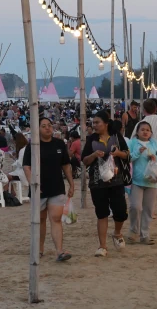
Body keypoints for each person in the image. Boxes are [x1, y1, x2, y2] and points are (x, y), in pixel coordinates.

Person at [21, 117, 74, 261]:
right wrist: (34, 184)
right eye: (43, 126)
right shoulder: (32, 146)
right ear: (38, 129)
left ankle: (59, 251)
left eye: (49, 125)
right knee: (40, 220)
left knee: (55, 219)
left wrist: (71, 183)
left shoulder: (59, 144)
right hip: (39, 189)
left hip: (57, 187)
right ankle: (39, 249)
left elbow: (66, 165)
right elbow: (26, 167)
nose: (47, 128)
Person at [83, 111, 130, 256]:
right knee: (101, 213)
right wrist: (93, 155)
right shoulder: (91, 139)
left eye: (97, 122)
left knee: (121, 211)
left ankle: (117, 233)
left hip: (116, 180)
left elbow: (127, 155)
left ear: (106, 123)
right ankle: (102, 246)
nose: (94, 125)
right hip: (97, 182)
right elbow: (84, 161)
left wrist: (118, 153)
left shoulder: (116, 137)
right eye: (93, 123)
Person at [127, 120, 157, 245]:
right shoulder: (133, 143)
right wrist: (138, 152)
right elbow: (128, 158)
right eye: (142, 129)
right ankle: (133, 231)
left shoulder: (155, 143)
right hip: (136, 181)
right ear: (137, 132)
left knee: (148, 209)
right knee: (135, 207)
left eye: (147, 130)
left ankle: (145, 235)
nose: (145, 132)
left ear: (151, 133)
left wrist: (155, 158)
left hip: (152, 181)